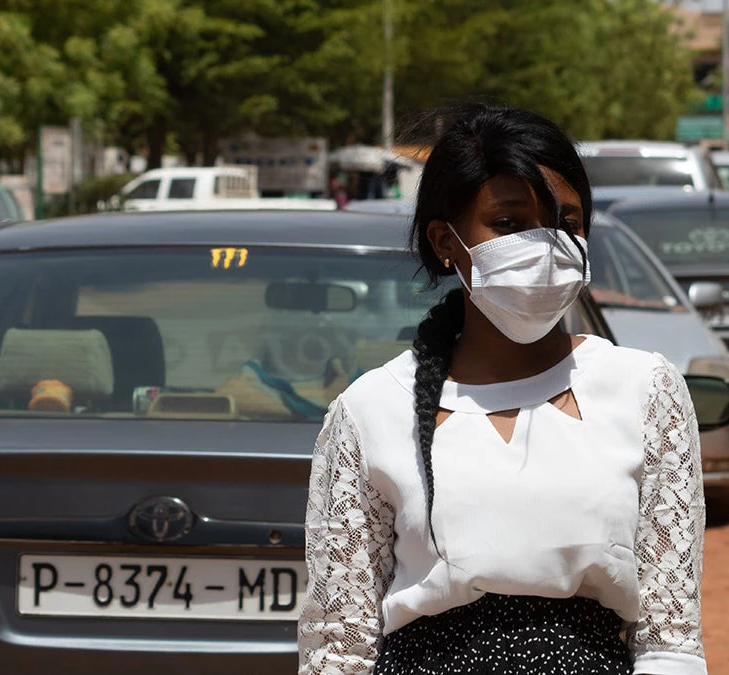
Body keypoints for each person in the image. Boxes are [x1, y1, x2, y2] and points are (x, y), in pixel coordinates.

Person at [298, 104, 706, 675]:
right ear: (447, 241)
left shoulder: (644, 391)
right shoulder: (370, 411)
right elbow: (338, 649)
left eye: (567, 221)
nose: (547, 246)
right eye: (511, 224)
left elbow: (671, 642)